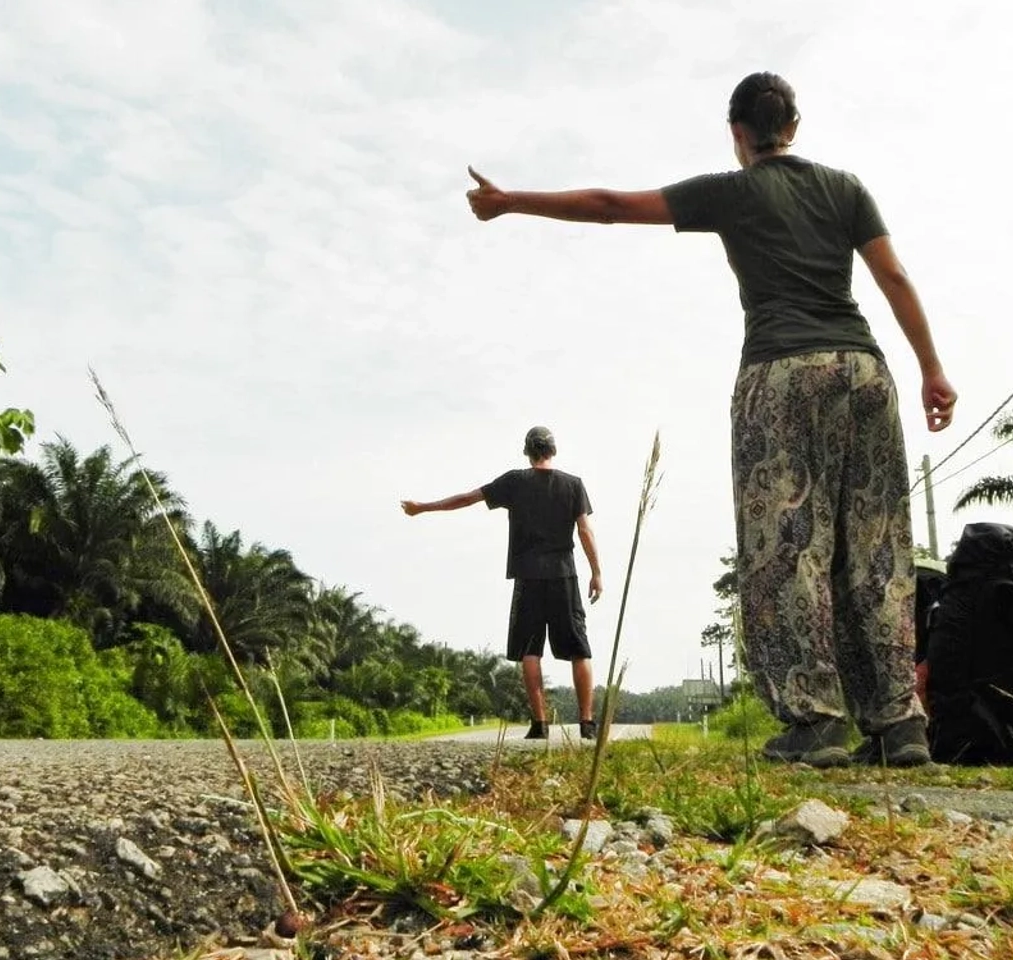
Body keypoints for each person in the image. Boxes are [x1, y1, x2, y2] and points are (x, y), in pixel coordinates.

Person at [463, 72, 957, 767]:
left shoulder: (732, 190)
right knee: (875, 548)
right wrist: (932, 369)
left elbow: (610, 206)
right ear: (795, 125)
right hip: (864, 372)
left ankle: (816, 724)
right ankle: (900, 724)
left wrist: (513, 200)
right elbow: (894, 278)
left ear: (736, 134)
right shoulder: (846, 187)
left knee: (788, 548)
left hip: (779, 374)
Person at [401, 426, 603, 740]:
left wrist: (422, 507)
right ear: (553, 450)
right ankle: (587, 724)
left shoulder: (514, 482)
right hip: (564, 575)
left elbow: (467, 498)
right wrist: (597, 572)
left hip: (528, 576)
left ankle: (540, 724)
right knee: (579, 649)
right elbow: (585, 531)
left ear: (527, 451)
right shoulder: (573, 485)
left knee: (529, 650)